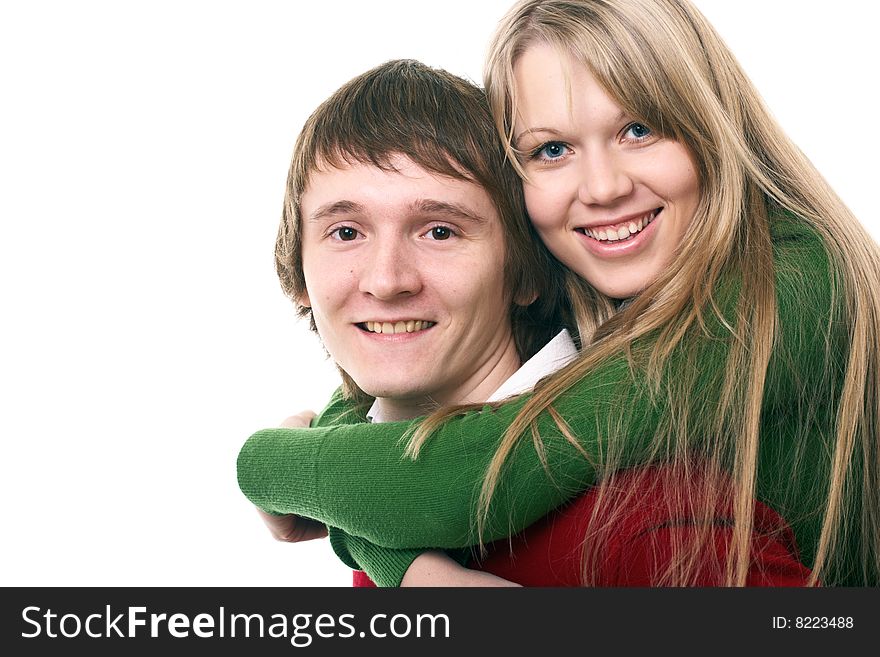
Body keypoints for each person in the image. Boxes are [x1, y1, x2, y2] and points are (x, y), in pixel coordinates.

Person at [239, 0, 880, 587]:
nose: (601, 187)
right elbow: (402, 405)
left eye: (639, 129)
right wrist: (387, 545)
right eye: (550, 149)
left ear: (712, 126)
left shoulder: (794, 285)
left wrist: (270, 466)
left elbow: (452, 487)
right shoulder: (595, 295)